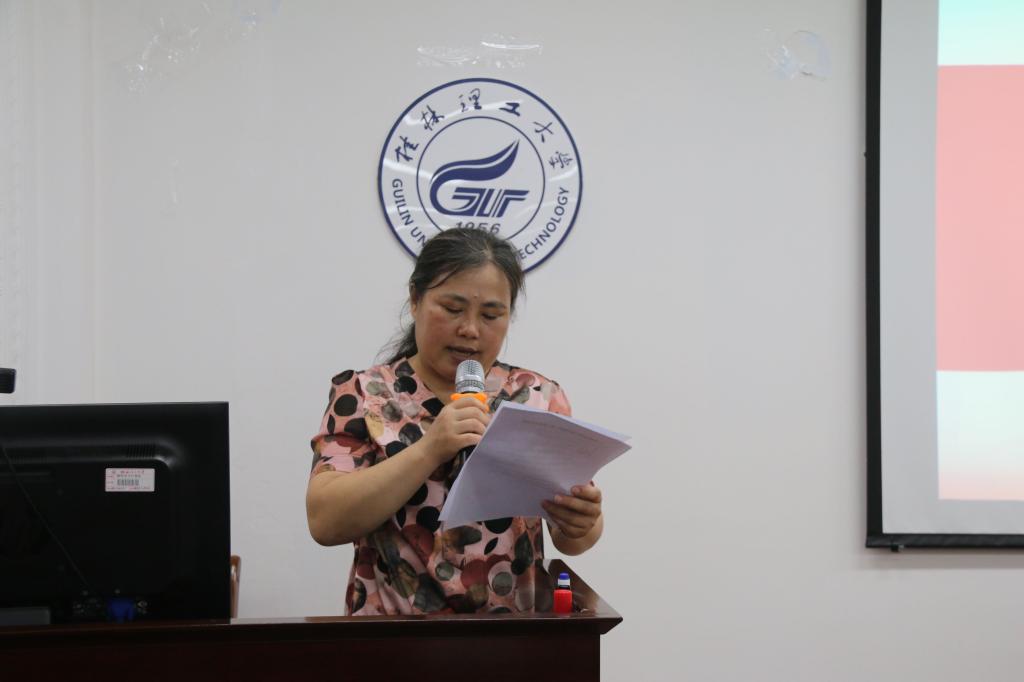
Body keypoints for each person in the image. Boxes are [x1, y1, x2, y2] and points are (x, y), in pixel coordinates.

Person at [305, 228, 604, 615]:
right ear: (415, 300)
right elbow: (325, 521)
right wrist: (431, 448)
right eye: (452, 308)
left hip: (514, 638)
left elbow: (573, 540)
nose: (470, 329)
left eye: (491, 315)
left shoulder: (536, 397)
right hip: (390, 639)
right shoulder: (364, 394)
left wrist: (582, 522)